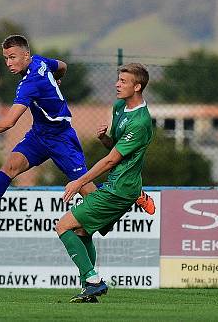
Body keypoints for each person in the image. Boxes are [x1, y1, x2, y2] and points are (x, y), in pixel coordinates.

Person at [0, 36, 155, 225]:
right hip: (38, 134)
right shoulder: (40, 61)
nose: (8, 63)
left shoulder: (29, 84)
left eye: (13, 57)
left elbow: (9, 123)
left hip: (61, 138)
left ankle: (132, 193)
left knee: (89, 193)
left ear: (26, 55)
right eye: (6, 58)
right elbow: (63, 66)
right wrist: (55, 79)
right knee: (10, 167)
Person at [56, 63, 155, 303]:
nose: (117, 84)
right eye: (118, 79)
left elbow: (111, 161)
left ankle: (93, 280)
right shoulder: (119, 106)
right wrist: (104, 138)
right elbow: (117, 150)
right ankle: (89, 289)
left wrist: (78, 181)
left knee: (64, 226)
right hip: (116, 185)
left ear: (137, 86)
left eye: (123, 81)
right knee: (81, 231)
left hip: (120, 190)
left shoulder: (141, 122)